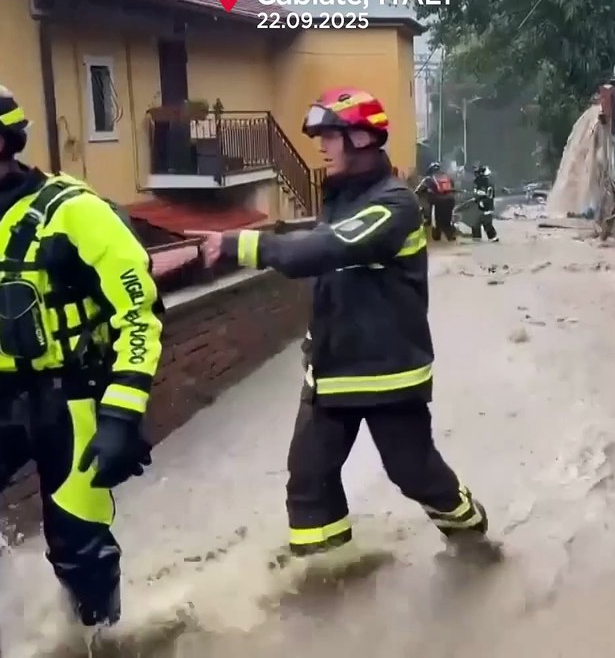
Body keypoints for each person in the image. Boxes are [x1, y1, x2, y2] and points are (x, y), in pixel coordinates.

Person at [0, 73, 160, 657]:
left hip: (73, 397)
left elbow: (139, 315)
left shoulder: (79, 214)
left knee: (79, 548)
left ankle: (102, 642)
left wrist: (123, 414)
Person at [187, 88, 490, 559]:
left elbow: (325, 249)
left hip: (388, 373)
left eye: (330, 137)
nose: (322, 148)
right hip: (330, 370)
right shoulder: (339, 201)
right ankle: (326, 577)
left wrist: (238, 244)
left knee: (413, 473)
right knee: (308, 478)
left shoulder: (394, 205)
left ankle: (474, 540)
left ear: (362, 138)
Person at [415, 161, 457, 241]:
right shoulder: (448, 178)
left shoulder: (428, 179)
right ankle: (451, 237)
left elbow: (418, 191)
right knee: (447, 220)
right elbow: (453, 188)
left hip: (436, 202)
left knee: (436, 222)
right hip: (450, 201)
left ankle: (435, 235)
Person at [469, 165, 499, 242]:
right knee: (475, 224)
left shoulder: (488, 184)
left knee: (487, 224)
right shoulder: (477, 183)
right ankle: (477, 239)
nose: (476, 175)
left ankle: (492, 238)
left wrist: (482, 201)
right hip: (477, 207)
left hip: (486, 208)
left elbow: (489, 197)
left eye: (478, 173)